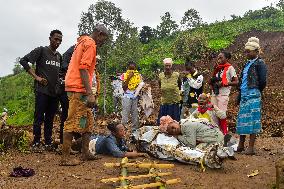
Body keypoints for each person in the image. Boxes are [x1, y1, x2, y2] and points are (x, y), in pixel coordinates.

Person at [60, 24, 109, 166]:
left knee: (88, 123)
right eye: (103, 39)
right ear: (99, 34)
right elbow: (83, 68)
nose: (102, 43)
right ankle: (65, 158)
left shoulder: (82, 42)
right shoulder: (90, 44)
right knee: (72, 121)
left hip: (77, 87)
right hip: (78, 89)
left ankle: (86, 152)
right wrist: (89, 93)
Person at [20, 30, 63, 152]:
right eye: (56, 39)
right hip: (42, 91)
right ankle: (36, 142)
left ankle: (48, 142)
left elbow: (59, 73)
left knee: (50, 118)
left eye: (60, 40)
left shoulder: (59, 56)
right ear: (50, 38)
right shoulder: (42, 50)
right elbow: (23, 61)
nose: (58, 42)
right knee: (38, 117)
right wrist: (37, 77)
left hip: (54, 93)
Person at [236, 37, 267, 155]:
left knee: (253, 120)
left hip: (253, 95)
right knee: (242, 120)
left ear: (256, 51)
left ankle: (251, 147)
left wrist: (256, 91)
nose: (246, 53)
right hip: (244, 95)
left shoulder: (260, 63)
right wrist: (239, 95)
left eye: (248, 51)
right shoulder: (246, 65)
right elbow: (242, 82)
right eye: (246, 51)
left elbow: (263, 81)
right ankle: (240, 145)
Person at [210, 51, 238, 135]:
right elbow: (212, 80)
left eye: (221, 57)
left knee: (221, 115)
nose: (219, 59)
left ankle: (224, 134)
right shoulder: (217, 68)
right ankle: (216, 133)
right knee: (213, 114)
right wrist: (214, 70)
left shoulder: (230, 68)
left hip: (223, 94)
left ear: (227, 58)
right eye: (218, 58)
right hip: (214, 94)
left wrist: (225, 83)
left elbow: (236, 82)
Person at [58, 45, 75, 145]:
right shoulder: (74, 51)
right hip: (65, 87)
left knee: (69, 116)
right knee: (67, 116)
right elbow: (65, 67)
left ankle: (66, 143)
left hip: (68, 87)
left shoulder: (73, 50)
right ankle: (64, 144)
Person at [121, 61, 144, 133]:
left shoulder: (138, 76)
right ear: (127, 68)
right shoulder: (124, 75)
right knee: (125, 114)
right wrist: (128, 78)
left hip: (135, 97)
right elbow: (124, 88)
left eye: (133, 69)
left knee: (135, 114)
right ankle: (122, 130)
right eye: (130, 69)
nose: (132, 71)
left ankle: (135, 131)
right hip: (127, 96)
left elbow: (141, 86)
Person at [157, 58, 181, 124]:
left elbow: (179, 85)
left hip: (174, 102)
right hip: (164, 102)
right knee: (164, 122)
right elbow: (160, 85)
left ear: (171, 66)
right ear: (164, 66)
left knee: (174, 122)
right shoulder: (160, 75)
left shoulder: (176, 75)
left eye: (169, 65)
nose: (167, 67)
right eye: (166, 65)